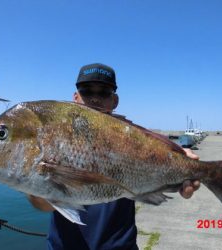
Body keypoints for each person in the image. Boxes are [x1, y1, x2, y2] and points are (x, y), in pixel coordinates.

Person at [29, 63, 200, 250]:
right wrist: (35, 183)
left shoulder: (131, 139)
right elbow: (43, 205)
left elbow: (157, 151)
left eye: (103, 92)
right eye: (87, 91)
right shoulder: (55, 139)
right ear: (75, 97)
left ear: (115, 101)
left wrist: (184, 161)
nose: (94, 99)